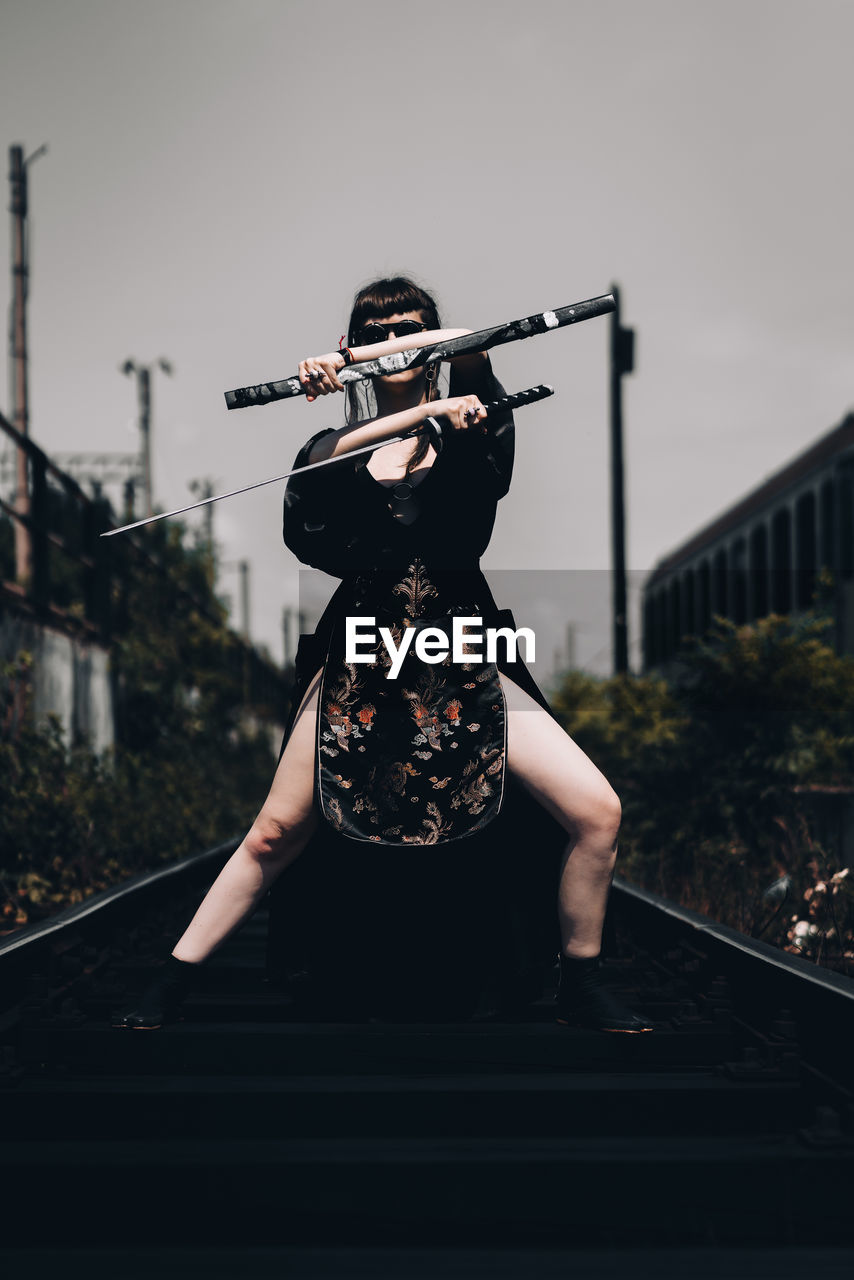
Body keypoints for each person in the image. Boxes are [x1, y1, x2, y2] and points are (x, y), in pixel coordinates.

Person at [113, 276, 653, 1034]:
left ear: (434, 342)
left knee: (597, 811)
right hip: (362, 649)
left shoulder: (476, 418)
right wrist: (406, 401)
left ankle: (583, 983)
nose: (394, 340)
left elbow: (476, 380)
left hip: (462, 642)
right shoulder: (329, 447)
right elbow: (313, 518)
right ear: (348, 348)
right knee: (275, 832)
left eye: (412, 329)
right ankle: (169, 985)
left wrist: (450, 376)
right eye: (376, 331)